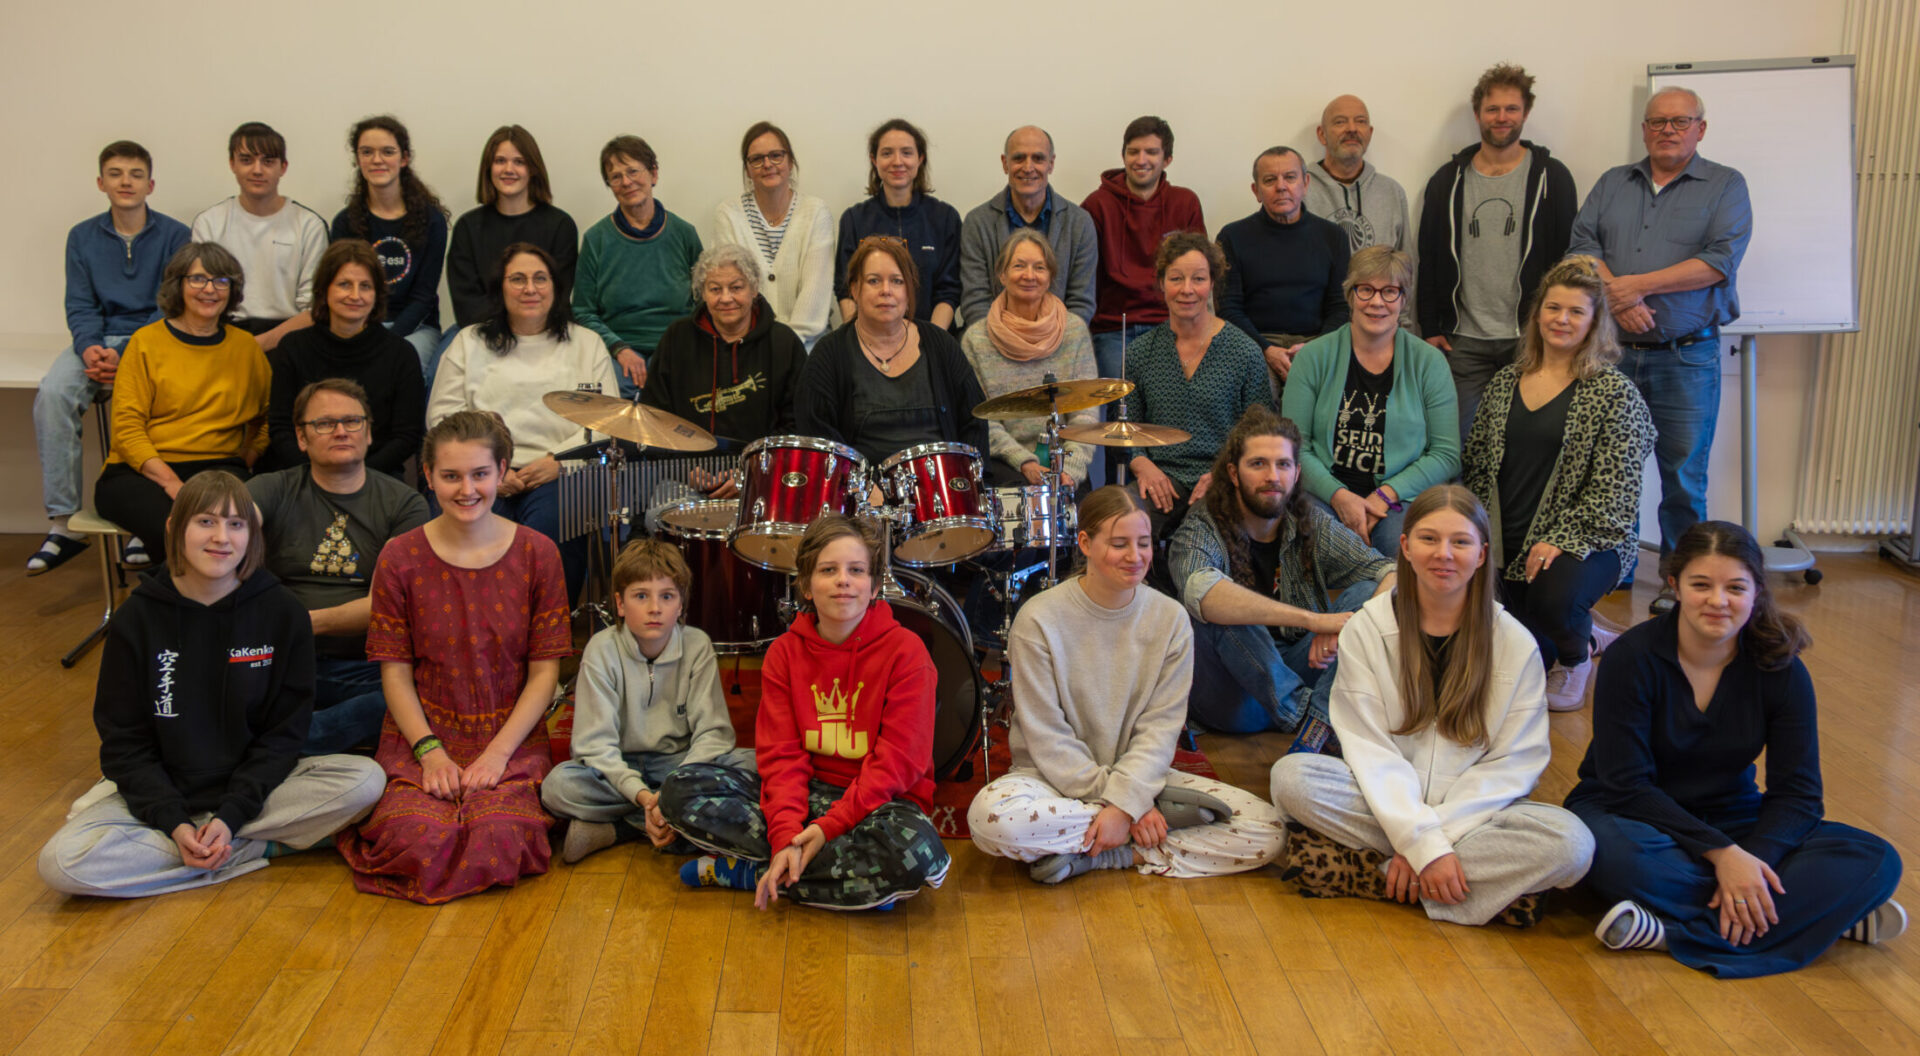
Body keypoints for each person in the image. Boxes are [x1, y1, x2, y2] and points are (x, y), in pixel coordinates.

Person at [1567, 521, 1905, 976]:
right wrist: (1725, 857)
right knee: (1609, 855)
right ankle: (1814, 914)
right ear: (1675, 586)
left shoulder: (1782, 668)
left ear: (1757, 591)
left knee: (1877, 858)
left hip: (1732, 814)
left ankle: (1672, 933)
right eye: (1701, 585)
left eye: (1735, 588)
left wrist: (1751, 861)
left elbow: (1799, 795)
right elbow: (1626, 786)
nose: (1718, 601)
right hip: (1631, 814)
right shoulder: (1631, 657)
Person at [37, 471, 385, 898]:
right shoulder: (136, 618)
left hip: (257, 792)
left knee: (365, 781)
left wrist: (231, 815)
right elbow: (123, 740)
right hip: (167, 790)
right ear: (174, 527)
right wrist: (173, 820)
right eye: (206, 521)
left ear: (251, 535)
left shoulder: (282, 613)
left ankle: (209, 845)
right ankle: (254, 847)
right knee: (61, 864)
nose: (222, 538)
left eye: (236, 524)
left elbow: (284, 736)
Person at [1270, 485, 1595, 928]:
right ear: (1405, 547)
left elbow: (1514, 765)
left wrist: (1426, 844)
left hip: (1472, 815)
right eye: (1429, 539)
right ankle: (1464, 885)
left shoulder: (1515, 643)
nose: (1444, 554)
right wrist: (1422, 842)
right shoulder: (1368, 628)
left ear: (1481, 554)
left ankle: (1377, 875)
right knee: (1292, 779)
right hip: (1383, 800)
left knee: (1572, 845)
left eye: (1460, 542)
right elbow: (1370, 749)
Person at [968, 486, 1285, 882]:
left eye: (1144, 543)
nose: (1136, 557)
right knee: (991, 819)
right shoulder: (1038, 619)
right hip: (1050, 781)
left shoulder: (1171, 619)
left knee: (1267, 831)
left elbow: (1161, 729)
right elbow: (1047, 737)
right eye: (1120, 544)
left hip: (1140, 778)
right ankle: (1126, 833)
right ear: (1085, 543)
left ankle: (1106, 855)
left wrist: (1127, 801)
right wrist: (1125, 805)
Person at [336, 411, 572, 904]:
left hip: (510, 735)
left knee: (500, 836)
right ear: (428, 476)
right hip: (422, 732)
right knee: (415, 841)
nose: (467, 489)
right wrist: (429, 752)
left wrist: (498, 754)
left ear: (502, 471)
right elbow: (395, 673)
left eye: (480, 474)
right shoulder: (399, 556)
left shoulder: (538, 553)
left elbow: (544, 673)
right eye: (451, 476)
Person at [658, 515, 950, 911]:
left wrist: (827, 828)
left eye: (856, 570)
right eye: (828, 570)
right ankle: (847, 879)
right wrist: (785, 834)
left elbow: (898, 764)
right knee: (679, 789)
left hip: (878, 806)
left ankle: (750, 873)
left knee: (917, 852)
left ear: (874, 586)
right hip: (807, 793)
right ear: (807, 586)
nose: (843, 580)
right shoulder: (784, 652)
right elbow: (781, 757)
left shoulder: (907, 652)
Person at [1569, 86, 1752, 614]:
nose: (1667, 130)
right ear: (1644, 129)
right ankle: (1616, 567)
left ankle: (1681, 579)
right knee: (1611, 467)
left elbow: (1718, 261)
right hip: (1612, 353)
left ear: (1701, 128)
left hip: (1686, 356)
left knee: (1683, 476)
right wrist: (1618, 298)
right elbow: (1582, 247)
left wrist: (1634, 288)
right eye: (1657, 122)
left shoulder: (1726, 185)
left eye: (1680, 121)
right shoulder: (1613, 182)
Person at [1462, 257, 1655, 712]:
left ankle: (1576, 657)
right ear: (1537, 314)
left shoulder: (1615, 394)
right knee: (1517, 654)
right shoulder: (1505, 382)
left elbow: (1617, 498)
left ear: (1594, 322)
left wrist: (1561, 540)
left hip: (1589, 540)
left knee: (1554, 601)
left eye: (1575, 311)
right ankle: (1583, 633)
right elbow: (1476, 465)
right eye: (1553, 308)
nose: (1561, 319)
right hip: (1508, 540)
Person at [1170, 406, 1394, 738]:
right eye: (1258, 464)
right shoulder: (1203, 524)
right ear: (1233, 473)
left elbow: (1390, 571)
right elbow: (1199, 589)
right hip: (1235, 697)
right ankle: (1312, 720)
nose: (1272, 476)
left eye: (1283, 464)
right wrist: (1315, 621)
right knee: (1222, 605)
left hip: (1300, 668)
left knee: (1368, 593)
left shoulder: (1308, 520)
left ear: (1296, 472)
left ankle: (1313, 719)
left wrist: (1340, 631)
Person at [542, 538, 757, 864]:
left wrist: (675, 787)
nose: (655, 608)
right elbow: (594, 746)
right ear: (620, 603)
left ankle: (618, 829)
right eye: (641, 596)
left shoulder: (697, 645)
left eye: (667, 596)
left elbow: (713, 734)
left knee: (753, 767)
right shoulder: (601, 650)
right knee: (558, 787)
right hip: (619, 768)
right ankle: (676, 823)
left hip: (680, 766)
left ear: (681, 605)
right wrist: (645, 796)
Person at [30, 140, 190, 575]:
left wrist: (126, 352)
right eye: (116, 174)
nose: (126, 182)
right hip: (95, 341)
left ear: (150, 185)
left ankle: (142, 520)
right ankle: (63, 524)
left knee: (146, 404)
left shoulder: (176, 235)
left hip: (154, 338)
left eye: (136, 174)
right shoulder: (81, 236)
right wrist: (90, 348)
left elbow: (171, 303)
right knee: (53, 394)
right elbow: (80, 304)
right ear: (101, 183)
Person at [249, 379, 431, 756]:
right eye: (324, 423)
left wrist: (301, 622)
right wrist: (209, 521)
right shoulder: (271, 488)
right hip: (278, 658)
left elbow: (389, 606)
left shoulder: (404, 504)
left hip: (363, 666)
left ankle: (277, 741)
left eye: (352, 421)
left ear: (369, 433)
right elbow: (225, 525)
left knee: (420, 696)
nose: (341, 431)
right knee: (211, 673)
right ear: (301, 438)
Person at [431, 244, 618, 599]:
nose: (530, 289)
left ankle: (547, 623)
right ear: (500, 287)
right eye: (517, 279)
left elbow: (607, 419)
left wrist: (560, 462)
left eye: (540, 279)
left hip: (560, 473)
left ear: (556, 287)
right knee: (476, 524)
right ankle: (478, 620)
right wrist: (487, 470)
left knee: (550, 526)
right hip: (482, 472)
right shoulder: (469, 341)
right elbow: (443, 417)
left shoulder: (587, 343)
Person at [1417, 63, 1578, 441]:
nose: (1501, 117)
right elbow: (1429, 256)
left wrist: (1561, 326)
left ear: (1526, 113)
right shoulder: (1447, 180)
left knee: (1527, 443)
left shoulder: (1553, 177)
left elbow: (1567, 258)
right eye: (1492, 109)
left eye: (1511, 109)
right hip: (1463, 341)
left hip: (1532, 336)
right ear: (1477, 114)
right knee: (1457, 444)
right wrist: (1430, 326)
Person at [1283, 246, 1460, 557]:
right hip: (1323, 491)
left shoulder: (1429, 363)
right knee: (1324, 546)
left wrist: (1385, 495)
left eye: (1390, 291)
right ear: (1350, 295)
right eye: (1366, 289)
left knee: (1398, 548)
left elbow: (1446, 454)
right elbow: (1293, 448)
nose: (1377, 302)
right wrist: (1339, 495)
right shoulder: (1312, 357)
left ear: (1403, 299)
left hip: (1399, 496)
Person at [95, 243, 269, 553]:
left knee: (244, 531)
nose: (210, 289)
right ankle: (169, 585)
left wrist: (247, 458)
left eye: (221, 280)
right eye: (198, 279)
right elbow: (127, 428)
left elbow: (268, 417)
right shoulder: (145, 342)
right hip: (143, 472)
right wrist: (172, 483)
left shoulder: (245, 347)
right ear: (178, 285)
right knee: (181, 533)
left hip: (219, 470)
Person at [1122, 232, 1272, 537]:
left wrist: (1224, 474)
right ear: (1162, 283)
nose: (1187, 289)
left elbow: (1260, 434)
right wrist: (1140, 462)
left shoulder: (1244, 352)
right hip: (1160, 477)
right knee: (1119, 523)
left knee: (1195, 539)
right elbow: (1126, 425)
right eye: (1176, 278)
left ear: (1212, 283)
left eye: (1198, 279)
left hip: (1222, 478)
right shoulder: (1140, 352)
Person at [795, 236, 987, 465]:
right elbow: (817, 438)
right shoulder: (828, 354)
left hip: (940, 483)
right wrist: (860, 481)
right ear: (855, 289)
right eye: (874, 281)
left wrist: (965, 476)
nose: (886, 290)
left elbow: (975, 420)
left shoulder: (941, 345)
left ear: (909, 290)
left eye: (897, 281)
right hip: (860, 485)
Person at [264, 239, 425, 476]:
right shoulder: (293, 347)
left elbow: (406, 436)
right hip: (303, 474)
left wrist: (355, 478)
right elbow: (281, 429)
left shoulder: (401, 353)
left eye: (365, 286)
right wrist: (318, 475)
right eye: (344, 284)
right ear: (324, 290)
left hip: (376, 477)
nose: (355, 295)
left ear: (377, 294)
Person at [958, 229, 1098, 489]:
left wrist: (1070, 467)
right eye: (1019, 266)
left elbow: (1086, 415)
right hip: (1006, 466)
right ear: (1002, 275)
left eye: (1039, 267)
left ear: (1050, 276)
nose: (1029, 275)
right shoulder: (976, 339)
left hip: (1064, 465)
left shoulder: (1074, 331)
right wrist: (1024, 461)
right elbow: (982, 420)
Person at [441, 125, 580, 383]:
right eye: (500, 161)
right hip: (481, 331)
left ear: (533, 169)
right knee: (435, 371)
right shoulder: (468, 227)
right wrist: (505, 332)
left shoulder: (560, 225)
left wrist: (526, 335)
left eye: (519, 162)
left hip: (545, 330)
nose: (508, 169)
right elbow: (466, 301)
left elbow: (558, 295)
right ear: (488, 168)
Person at [644, 243, 805, 462]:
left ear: (754, 289)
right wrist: (686, 469)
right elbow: (654, 416)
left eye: (736, 288)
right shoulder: (676, 338)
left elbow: (797, 425)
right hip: (684, 471)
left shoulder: (784, 343)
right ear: (703, 293)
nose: (726, 298)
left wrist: (749, 470)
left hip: (761, 472)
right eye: (715, 289)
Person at [1080, 116, 1207, 384]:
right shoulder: (1097, 205)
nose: (1141, 160)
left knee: (1175, 399)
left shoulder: (1185, 202)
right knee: (1118, 402)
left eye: (1151, 152)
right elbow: (1086, 277)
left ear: (1167, 159)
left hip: (1171, 324)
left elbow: (1200, 273)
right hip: (1114, 329)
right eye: (1133, 151)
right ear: (1123, 155)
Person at [574, 135, 703, 397]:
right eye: (616, 177)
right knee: (614, 397)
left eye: (633, 171)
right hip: (617, 351)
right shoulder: (596, 239)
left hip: (675, 346)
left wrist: (675, 348)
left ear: (653, 174)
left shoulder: (684, 234)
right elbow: (582, 311)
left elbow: (705, 301)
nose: (626, 182)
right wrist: (619, 349)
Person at [1217, 146, 1351, 390]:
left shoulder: (1333, 236)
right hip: (1255, 345)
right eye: (1270, 180)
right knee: (1258, 394)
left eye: (1290, 177)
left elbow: (1340, 307)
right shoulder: (1232, 237)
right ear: (1256, 191)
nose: (1281, 186)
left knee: (1326, 395)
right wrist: (1266, 349)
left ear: (1305, 184)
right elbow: (1228, 309)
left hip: (1317, 342)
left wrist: (1314, 349)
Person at [190, 122, 328, 352]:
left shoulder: (309, 225)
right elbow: (202, 296)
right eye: (246, 160)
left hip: (291, 338)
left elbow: (313, 309)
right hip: (224, 335)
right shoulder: (209, 223)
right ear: (232, 164)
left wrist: (255, 346)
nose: (257, 170)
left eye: (268, 161)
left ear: (283, 167)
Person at [329, 115, 450, 372]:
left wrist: (386, 340)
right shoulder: (344, 223)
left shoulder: (432, 221)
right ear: (357, 159)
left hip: (416, 329)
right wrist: (365, 335)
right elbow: (341, 290)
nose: (377, 160)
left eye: (387, 151)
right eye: (367, 152)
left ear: (404, 158)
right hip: (357, 324)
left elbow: (423, 296)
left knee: (398, 365)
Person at [711, 121, 836, 350]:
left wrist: (785, 349)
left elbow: (815, 293)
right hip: (749, 344)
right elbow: (732, 289)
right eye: (757, 159)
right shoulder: (728, 215)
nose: (767, 164)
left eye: (776, 156)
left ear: (790, 162)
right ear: (747, 169)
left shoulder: (816, 213)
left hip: (808, 345)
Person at [959, 125, 1099, 327]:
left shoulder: (1080, 223)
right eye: (1019, 158)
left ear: (1051, 164)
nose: (1028, 167)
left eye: (1038, 158)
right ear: (1005, 163)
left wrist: (1049, 340)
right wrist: (1006, 340)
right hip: (992, 338)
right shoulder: (977, 223)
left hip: (1060, 339)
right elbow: (975, 302)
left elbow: (1081, 303)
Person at [834, 119, 962, 330]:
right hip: (870, 339)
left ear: (920, 159)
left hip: (933, 337)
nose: (897, 161)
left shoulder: (945, 217)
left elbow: (949, 291)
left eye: (906, 153)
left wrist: (931, 341)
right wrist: (858, 339)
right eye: (887, 153)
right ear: (874, 160)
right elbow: (846, 289)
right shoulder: (854, 219)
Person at [1305, 95, 1414, 327]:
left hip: (1381, 328)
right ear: (1322, 134)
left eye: (1360, 121)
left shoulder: (1391, 192)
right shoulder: (1300, 191)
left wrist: (1404, 327)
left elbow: (1407, 268)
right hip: (1317, 331)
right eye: (1340, 122)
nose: (1352, 129)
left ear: (1370, 133)